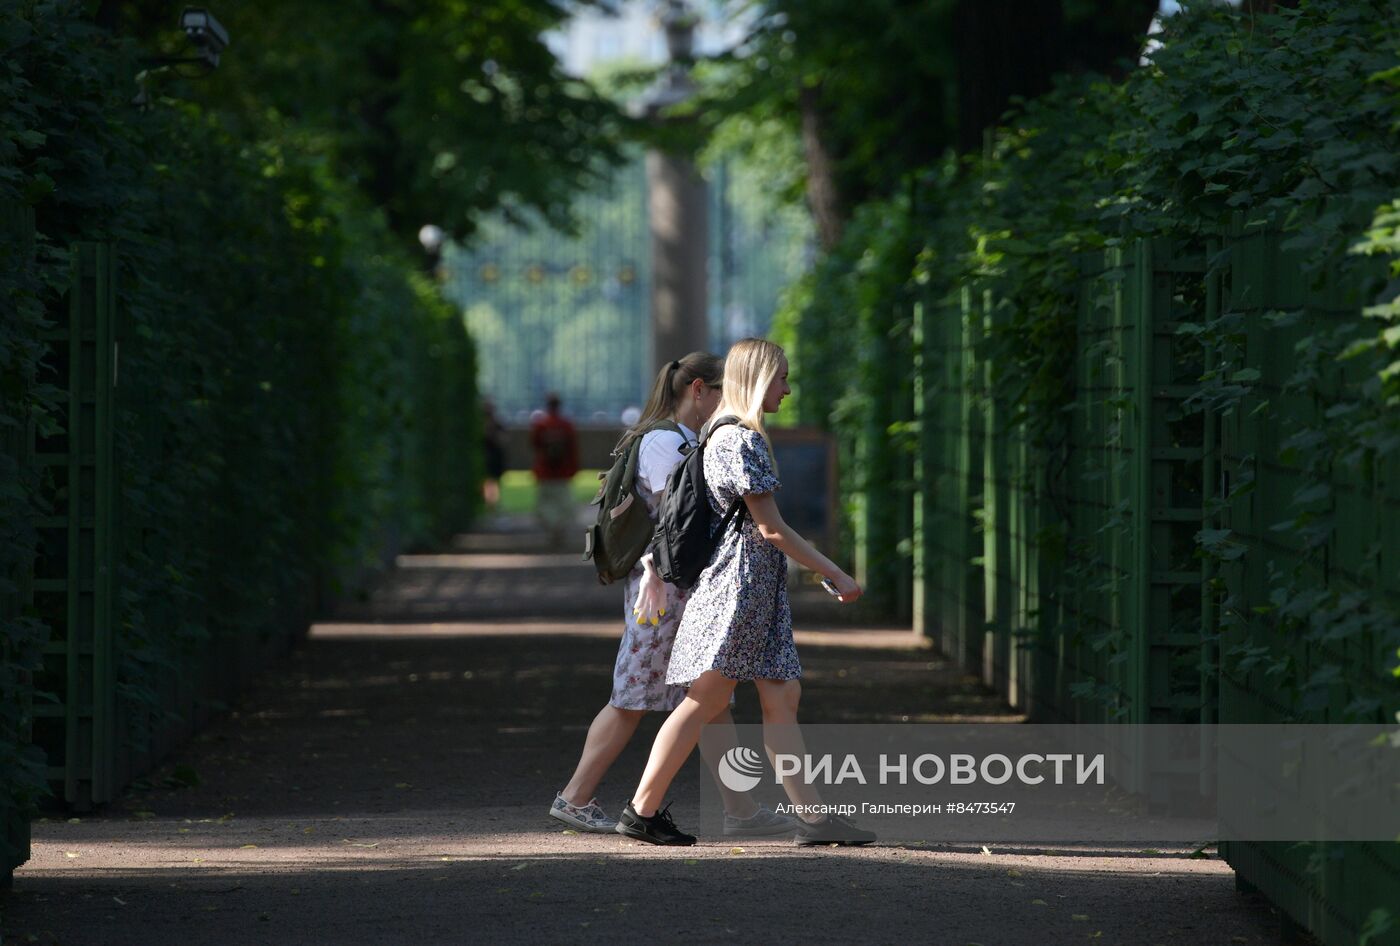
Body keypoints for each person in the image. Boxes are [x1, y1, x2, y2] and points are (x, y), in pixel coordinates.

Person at [615, 337, 876, 847]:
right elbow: (771, 529)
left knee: (781, 698)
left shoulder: (718, 433)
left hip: (753, 590)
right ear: (757, 379)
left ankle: (816, 821)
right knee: (703, 701)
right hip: (740, 590)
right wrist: (836, 573)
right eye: (781, 377)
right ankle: (641, 810)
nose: (788, 388)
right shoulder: (741, 440)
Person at [549, 353, 796, 838]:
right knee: (634, 696)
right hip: (660, 589)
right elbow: (672, 523)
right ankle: (575, 797)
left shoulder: (679, 439)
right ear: (698, 389)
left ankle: (741, 810)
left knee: (706, 695)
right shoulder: (666, 442)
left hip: (671, 585)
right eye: (722, 391)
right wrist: (659, 575)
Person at [529, 392, 579, 546]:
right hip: (563, 472)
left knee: (545, 504)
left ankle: (552, 528)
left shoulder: (541, 425)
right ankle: (558, 528)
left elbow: (535, 446)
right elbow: (573, 449)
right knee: (564, 504)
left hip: (545, 472)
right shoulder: (566, 425)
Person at [481, 398, 506, 513]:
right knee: (488, 482)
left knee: (492, 482)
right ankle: (490, 503)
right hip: (487, 457)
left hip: (494, 457)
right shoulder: (482, 424)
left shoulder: (496, 424)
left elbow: (503, 440)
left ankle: (492, 503)